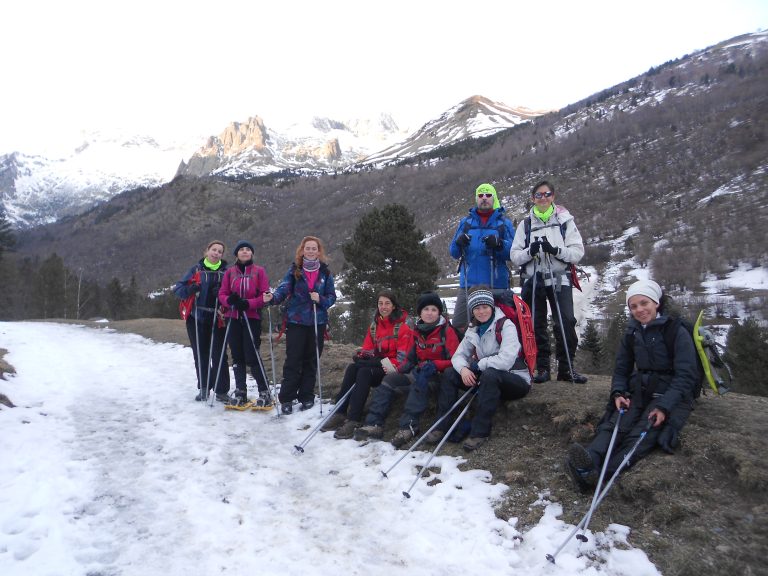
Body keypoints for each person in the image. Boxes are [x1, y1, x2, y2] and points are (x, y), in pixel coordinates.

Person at [566, 279, 698, 492]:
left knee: (642, 433)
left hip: (668, 392)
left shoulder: (676, 331)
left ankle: (601, 474)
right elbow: (621, 369)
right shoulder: (632, 332)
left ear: (656, 303)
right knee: (618, 422)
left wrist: (664, 406)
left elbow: (686, 375)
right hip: (639, 388)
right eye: (633, 306)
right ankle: (589, 459)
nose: (639, 310)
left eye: (644, 303)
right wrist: (618, 392)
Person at [426, 287, 531, 451]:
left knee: (490, 374)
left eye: (484, 307)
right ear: (472, 310)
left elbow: (506, 360)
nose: (481, 312)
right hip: (488, 379)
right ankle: (441, 425)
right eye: (477, 308)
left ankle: (479, 432)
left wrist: (479, 365)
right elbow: (458, 356)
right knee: (450, 373)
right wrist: (463, 370)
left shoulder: (506, 325)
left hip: (516, 380)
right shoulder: (473, 328)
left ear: (491, 306)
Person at [354, 292, 461, 448]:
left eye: (433, 310)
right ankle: (374, 424)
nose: (429, 313)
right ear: (420, 313)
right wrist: (398, 369)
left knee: (420, 385)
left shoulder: (446, 331)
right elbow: (410, 358)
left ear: (439, 312)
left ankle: (408, 427)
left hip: (439, 376)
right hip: (419, 371)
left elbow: (456, 360)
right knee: (389, 381)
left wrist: (435, 365)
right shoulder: (417, 331)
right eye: (426, 309)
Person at [510, 180, 587, 384]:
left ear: (553, 196)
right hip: (533, 278)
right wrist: (530, 252)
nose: (543, 198)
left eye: (546, 194)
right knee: (536, 323)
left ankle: (566, 368)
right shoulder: (525, 224)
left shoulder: (565, 221)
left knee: (566, 321)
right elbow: (515, 255)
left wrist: (556, 251)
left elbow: (578, 252)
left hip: (559, 275)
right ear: (532, 198)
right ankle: (542, 368)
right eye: (538, 195)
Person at [323, 291, 412, 439]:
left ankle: (354, 419)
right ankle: (340, 411)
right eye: (380, 303)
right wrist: (362, 357)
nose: (383, 307)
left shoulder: (402, 327)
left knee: (364, 372)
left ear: (394, 306)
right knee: (353, 368)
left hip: (395, 369)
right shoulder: (375, 325)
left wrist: (378, 361)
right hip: (379, 365)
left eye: (387, 303)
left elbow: (402, 360)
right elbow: (368, 349)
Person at [270, 236, 336, 414]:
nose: (311, 251)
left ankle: (306, 396)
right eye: (308, 248)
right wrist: (273, 298)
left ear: (319, 251)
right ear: (302, 250)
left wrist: (320, 299)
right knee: (293, 360)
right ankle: (287, 398)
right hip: (297, 321)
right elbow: (284, 289)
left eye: (314, 248)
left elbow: (332, 297)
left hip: (317, 321)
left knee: (311, 359)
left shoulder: (326, 273)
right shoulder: (294, 271)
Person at [449, 183, 515, 333]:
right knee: (459, 327)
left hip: (496, 285)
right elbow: (454, 252)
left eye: (488, 195)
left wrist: (499, 244)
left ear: (494, 198)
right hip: (468, 285)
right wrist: (459, 243)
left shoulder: (504, 224)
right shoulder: (465, 223)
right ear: (476, 199)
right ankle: (461, 356)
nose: (484, 198)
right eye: (480, 195)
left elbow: (514, 253)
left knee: (498, 328)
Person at [174, 240, 231, 402]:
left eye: (220, 251)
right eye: (214, 250)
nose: (216, 253)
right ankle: (204, 388)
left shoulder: (226, 272)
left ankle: (221, 391)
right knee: (201, 354)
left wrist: (221, 293)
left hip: (218, 317)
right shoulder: (195, 270)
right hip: (197, 318)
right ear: (207, 251)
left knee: (219, 355)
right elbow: (178, 290)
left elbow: (231, 292)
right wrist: (190, 289)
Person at [218, 240, 273, 406]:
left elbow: (264, 296)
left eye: (248, 249)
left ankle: (264, 391)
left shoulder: (259, 272)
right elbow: (222, 294)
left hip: (252, 317)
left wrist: (249, 304)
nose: (244, 252)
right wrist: (230, 301)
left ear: (252, 254)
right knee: (237, 355)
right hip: (233, 317)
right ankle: (241, 390)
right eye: (241, 249)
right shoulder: (229, 273)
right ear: (236, 254)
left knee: (252, 354)